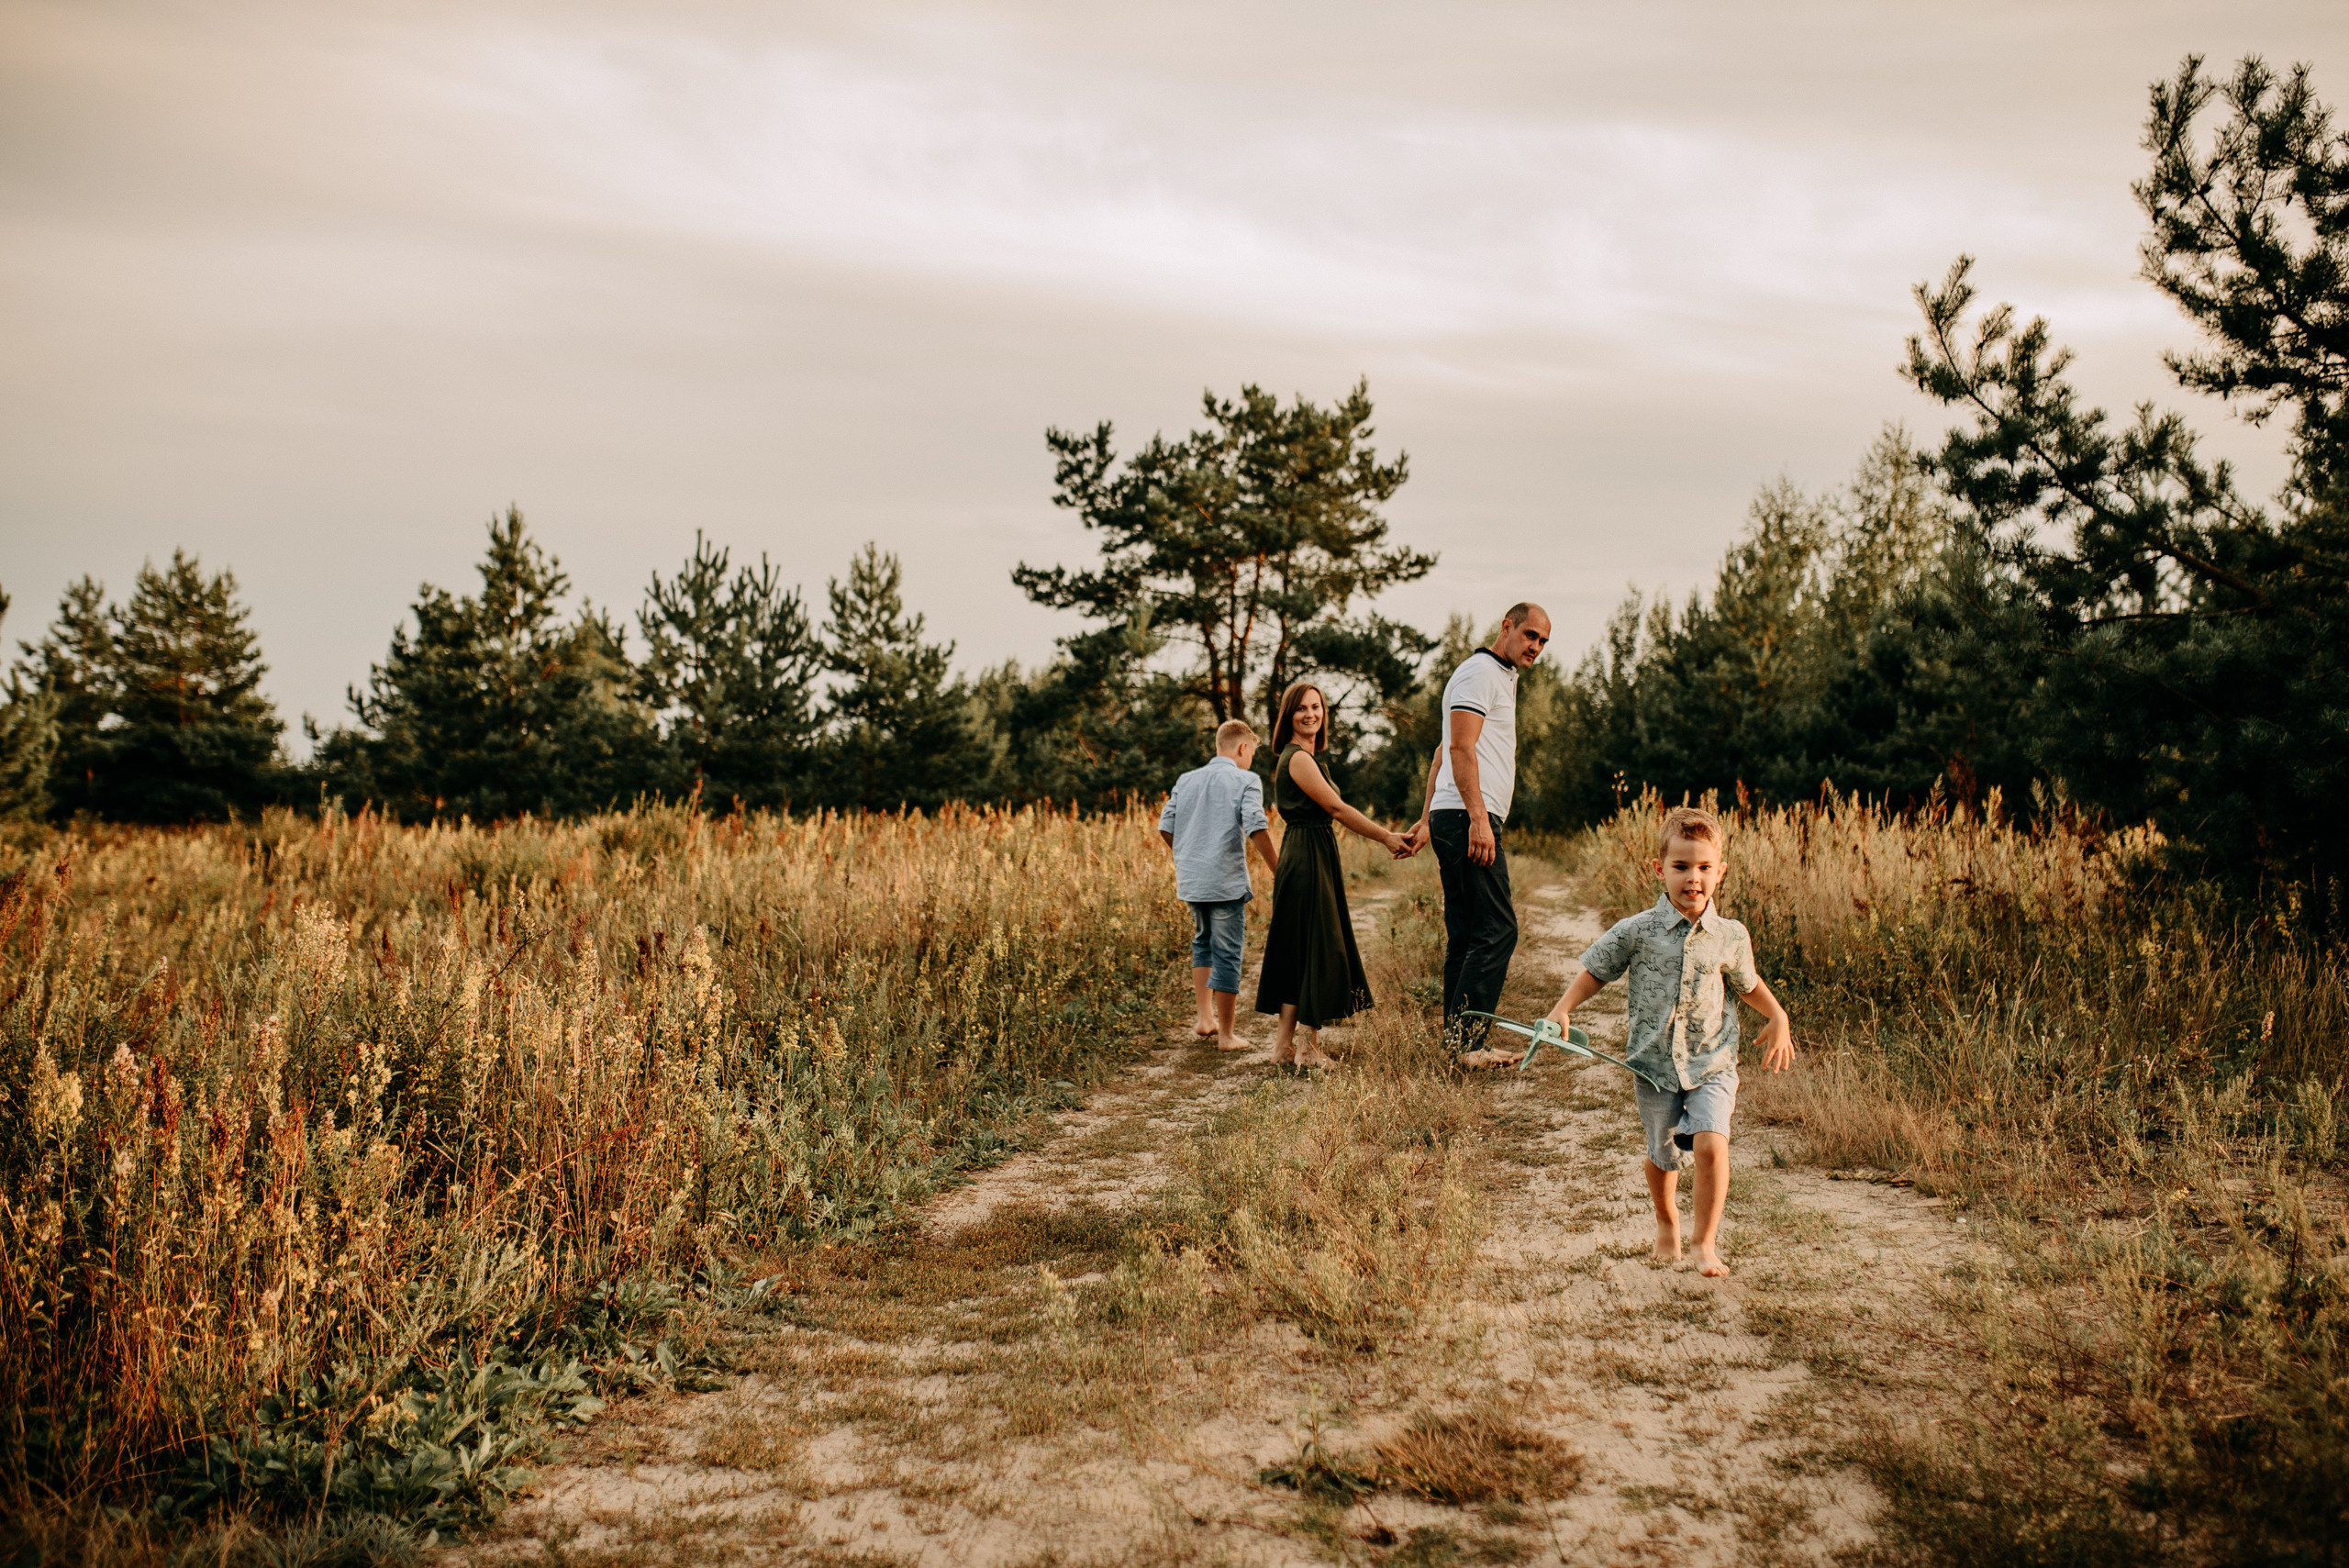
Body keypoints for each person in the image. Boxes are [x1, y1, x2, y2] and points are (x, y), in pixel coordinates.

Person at [1537, 805, 1795, 1278]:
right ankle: (1667, 1221)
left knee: (1713, 1143)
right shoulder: (1638, 930)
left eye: (1702, 867)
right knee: (1664, 1155)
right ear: (1660, 869)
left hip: (1712, 1062)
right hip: (1653, 1065)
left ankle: (1704, 1242)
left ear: (1720, 870)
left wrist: (1777, 1015)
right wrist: (1563, 1008)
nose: (1692, 878)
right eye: (1680, 867)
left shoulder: (1731, 935)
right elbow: (1597, 970)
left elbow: (1747, 983)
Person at [1403, 603, 1553, 1051]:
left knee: (1468, 934)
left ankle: (1457, 1042)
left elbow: (1439, 752)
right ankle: (1467, 1044)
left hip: (1455, 816)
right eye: (1530, 635)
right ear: (1506, 627)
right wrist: (1479, 819)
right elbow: (1460, 749)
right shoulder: (1481, 673)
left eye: (1543, 641)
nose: (1536, 647)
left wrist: (1428, 816)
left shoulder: (1493, 677)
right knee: (1498, 929)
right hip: (1470, 817)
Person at [1254, 682, 1412, 1068]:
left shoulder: (1310, 758)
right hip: (1307, 855)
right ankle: (1307, 1050)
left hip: (1310, 852)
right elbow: (1338, 809)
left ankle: (1282, 1048)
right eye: (1301, 708)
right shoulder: (1298, 759)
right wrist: (1386, 837)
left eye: (1316, 707)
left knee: (1299, 949)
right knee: (1317, 948)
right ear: (1288, 715)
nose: (1310, 714)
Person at [1158, 719, 1282, 1051]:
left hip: (1193, 879)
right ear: (1243, 748)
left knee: (1203, 943)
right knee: (1227, 953)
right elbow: (1256, 826)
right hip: (1225, 882)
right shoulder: (1245, 779)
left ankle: (1204, 1019)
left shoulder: (1187, 779)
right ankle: (1226, 1036)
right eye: (1252, 753)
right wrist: (1278, 870)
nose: (1251, 760)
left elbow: (1165, 826)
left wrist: (1188, 856)